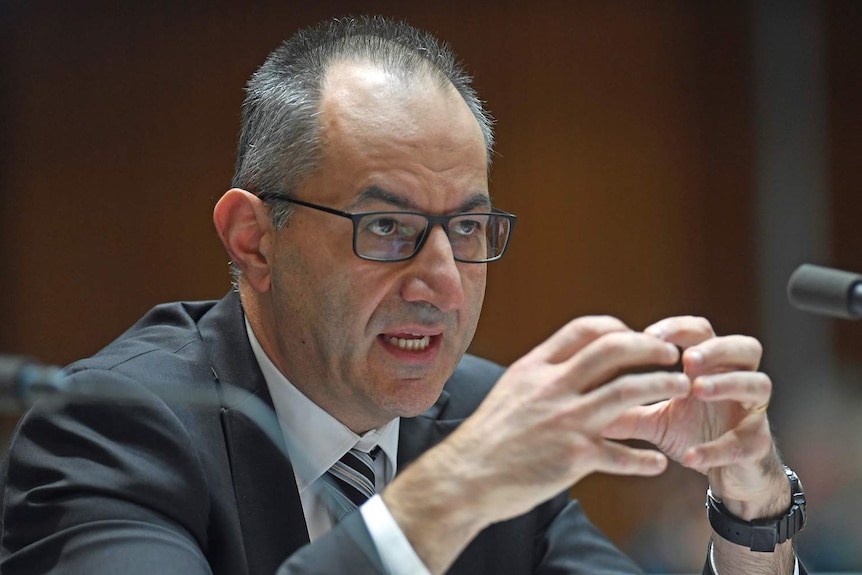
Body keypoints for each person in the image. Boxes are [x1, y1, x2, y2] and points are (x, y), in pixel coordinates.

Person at [0, 16, 806, 575]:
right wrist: (463, 482)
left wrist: (750, 500)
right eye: (386, 225)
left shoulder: (477, 411)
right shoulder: (110, 429)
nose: (443, 281)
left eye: (467, 229)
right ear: (254, 239)